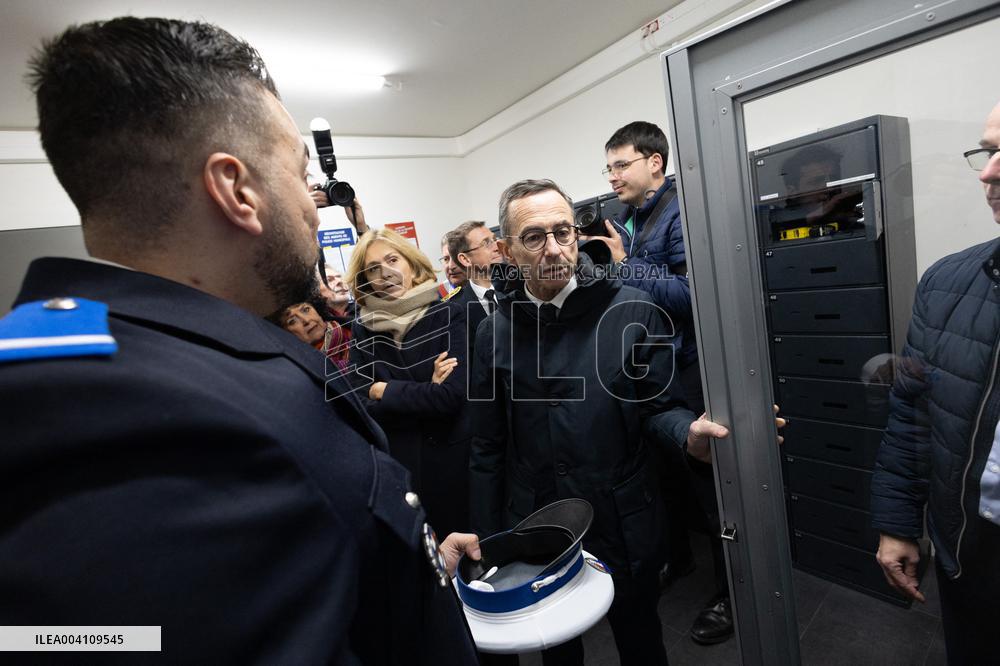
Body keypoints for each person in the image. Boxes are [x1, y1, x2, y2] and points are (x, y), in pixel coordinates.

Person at [0, 17, 480, 664]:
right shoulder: (120, 415)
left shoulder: (178, 354)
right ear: (237, 190)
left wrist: (402, 571)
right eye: (299, 173)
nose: (315, 208)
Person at [467, 178, 731, 665]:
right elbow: (487, 444)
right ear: (504, 250)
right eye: (534, 237)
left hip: (620, 516)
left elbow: (660, 408)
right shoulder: (492, 332)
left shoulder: (632, 307)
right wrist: (490, 540)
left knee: (640, 638)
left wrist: (689, 436)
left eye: (563, 231)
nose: (554, 248)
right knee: (557, 650)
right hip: (537, 524)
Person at [590, 120, 732, 644]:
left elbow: (694, 295)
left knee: (714, 489)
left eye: (620, 164)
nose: (612, 177)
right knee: (663, 480)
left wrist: (626, 265)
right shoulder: (623, 219)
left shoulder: (681, 213)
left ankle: (734, 590)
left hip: (692, 369)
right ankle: (679, 560)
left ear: (655, 162)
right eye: (607, 168)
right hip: (648, 366)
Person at [871, 99, 1000, 665]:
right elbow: (912, 413)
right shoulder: (946, 283)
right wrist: (899, 524)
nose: (989, 172)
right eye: (990, 151)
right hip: (973, 548)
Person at [344, 228, 470, 537]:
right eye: (373, 268)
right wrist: (426, 389)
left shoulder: (449, 314)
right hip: (399, 470)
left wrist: (383, 389)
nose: (385, 273)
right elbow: (359, 404)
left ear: (411, 266)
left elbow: (449, 399)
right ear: (365, 280)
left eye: (392, 260)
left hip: (453, 466)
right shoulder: (362, 331)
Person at [447, 220, 503, 353]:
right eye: (487, 243)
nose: (497, 246)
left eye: (495, 239)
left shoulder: (522, 289)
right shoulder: (454, 311)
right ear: (465, 259)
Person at [271, 301, 351, 371]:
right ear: (287, 333)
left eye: (306, 310)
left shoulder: (356, 331)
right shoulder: (298, 370)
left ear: (318, 312)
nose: (306, 320)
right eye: (292, 321)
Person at [440, 231, 468, 295]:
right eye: (446, 259)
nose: (451, 266)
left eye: (456, 257)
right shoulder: (440, 295)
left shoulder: (490, 286)